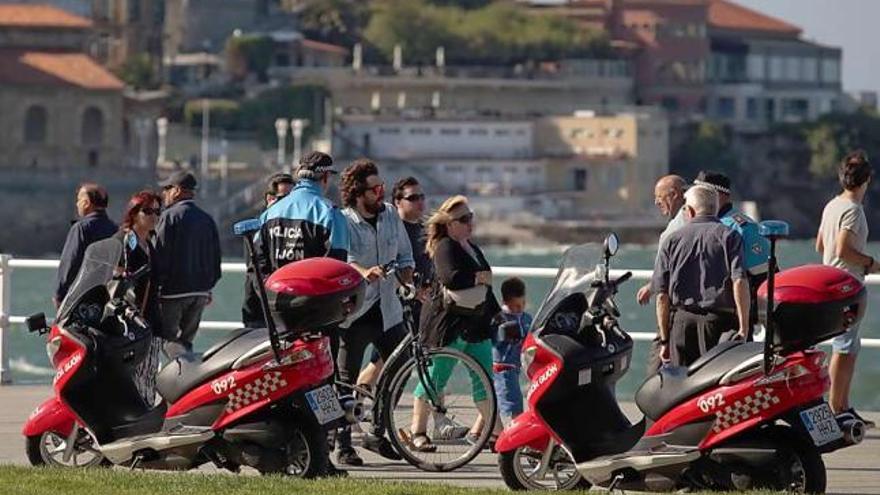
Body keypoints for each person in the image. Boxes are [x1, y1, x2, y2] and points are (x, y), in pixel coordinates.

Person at [255, 151, 350, 476]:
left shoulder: (272, 212)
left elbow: (259, 265)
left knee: (280, 383)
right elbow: (337, 267)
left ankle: (282, 452)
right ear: (325, 179)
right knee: (322, 385)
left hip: (279, 314)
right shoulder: (328, 213)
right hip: (318, 316)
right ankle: (322, 457)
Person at [407, 195, 502, 452]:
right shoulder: (444, 246)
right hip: (447, 325)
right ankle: (418, 432)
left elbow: (486, 286)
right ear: (449, 225)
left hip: (475, 325)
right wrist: (479, 276)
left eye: (470, 217)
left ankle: (498, 434)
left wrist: (498, 314)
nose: (470, 223)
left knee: (484, 381)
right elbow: (451, 278)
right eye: (463, 219)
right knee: (435, 378)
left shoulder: (471, 247)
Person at [335, 159, 414, 465]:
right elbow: (343, 259)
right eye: (375, 188)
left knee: (401, 367)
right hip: (355, 312)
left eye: (382, 187)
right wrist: (363, 271)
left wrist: (407, 270)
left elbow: (405, 252)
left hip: (388, 309)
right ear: (358, 192)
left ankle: (378, 433)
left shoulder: (391, 215)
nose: (381, 192)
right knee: (346, 379)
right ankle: (343, 445)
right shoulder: (343, 220)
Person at [652, 185, 750, 367]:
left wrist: (665, 340)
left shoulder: (671, 240)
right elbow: (739, 281)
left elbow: (661, 296)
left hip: (682, 323)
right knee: (716, 383)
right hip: (719, 323)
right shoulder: (730, 236)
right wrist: (743, 327)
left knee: (682, 385)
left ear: (689, 210)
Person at [816, 150, 878, 428]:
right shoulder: (853, 210)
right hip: (846, 286)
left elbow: (822, 246)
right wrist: (871, 262)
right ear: (867, 180)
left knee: (843, 346)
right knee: (846, 350)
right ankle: (838, 407)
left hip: (829, 281)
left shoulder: (832, 205)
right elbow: (843, 248)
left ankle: (839, 405)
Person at [355, 176, 430, 392]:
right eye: (413, 197)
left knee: (424, 358)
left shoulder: (424, 230)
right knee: (379, 364)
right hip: (395, 308)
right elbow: (387, 265)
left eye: (421, 196)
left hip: (419, 307)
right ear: (397, 201)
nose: (419, 202)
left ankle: (435, 416)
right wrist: (407, 289)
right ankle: (356, 403)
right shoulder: (392, 228)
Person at [155, 171, 222, 358]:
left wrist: (157, 286)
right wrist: (208, 287)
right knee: (186, 343)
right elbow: (215, 259)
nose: (163, 194)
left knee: (165, 340)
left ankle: (169, 380)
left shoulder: (168, 217)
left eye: (166, 189)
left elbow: (160, 254)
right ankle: (187, 376)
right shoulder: (207, 220)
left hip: (172, 292)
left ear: (177, 190)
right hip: (199, 292)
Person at [693, 171, 770, 332]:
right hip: (702, 312)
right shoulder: (697, 225)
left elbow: (764, 276)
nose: (696, 199)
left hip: (732, 316)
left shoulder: (744, 229)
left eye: (702, 193)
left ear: (720, 195)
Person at [116, 191, 164, 405]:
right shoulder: (126, 241)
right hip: (132, 324)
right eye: (147, 211)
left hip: (150, 322)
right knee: (134, 377)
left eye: (157, 211)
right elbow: (115, 279)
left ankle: (144, 419)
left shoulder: (150, 243)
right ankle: (135, 418)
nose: (154, 216)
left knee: (148, 376)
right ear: (134, 213)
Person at [636, 175, 687, 376]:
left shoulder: (672, 232)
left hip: (674, 313)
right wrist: (651, 285)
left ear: (674, 195)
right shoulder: (693, 221)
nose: (656, 202)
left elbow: (664, 285)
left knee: (655, 375)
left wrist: (664, 339)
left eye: (660, 197)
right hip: (694, 312)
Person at [242, 173, 295, 328]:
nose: (289, 203)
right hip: (261, 307)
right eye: (283, 197)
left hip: (286, 305)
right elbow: (255, 268)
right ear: (270, 199)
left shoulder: (294, 226)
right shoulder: (257, 227)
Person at [55, 183, 117, 307]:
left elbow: (71, 262)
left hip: (82, 298)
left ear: (86, 203)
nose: (77, 204)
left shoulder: (81, 228)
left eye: (79, 200)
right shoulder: (115, 229)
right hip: (107, 297)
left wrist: (60, 295)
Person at [492, 277, 533, 422]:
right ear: (505, 302)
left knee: (495, 401)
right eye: (514, 306)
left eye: (521, 305)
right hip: (503, 366)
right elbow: (494, 340)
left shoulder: (526, 318)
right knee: (513, 402)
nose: (519, 309)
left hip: (517, 365)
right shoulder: (499, 319)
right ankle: (516, 432)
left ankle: (477, 432)